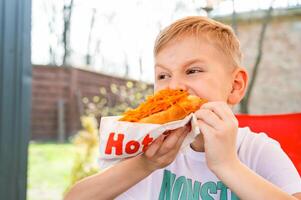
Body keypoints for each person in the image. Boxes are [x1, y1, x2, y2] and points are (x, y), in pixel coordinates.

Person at [64, 16, 301, 200]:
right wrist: (145, 164)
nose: (174, 86)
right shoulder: (146, 147)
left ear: (235, 86)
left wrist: (227, 164)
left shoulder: (256, 149)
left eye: (193, 71)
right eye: (163, 75)